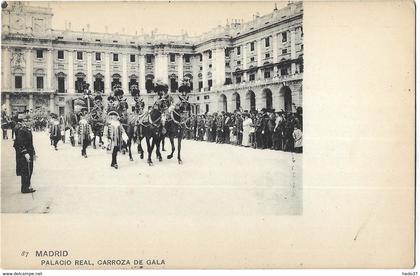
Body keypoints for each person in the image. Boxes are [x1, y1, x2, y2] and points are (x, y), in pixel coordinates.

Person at [13, 115, 36, 193]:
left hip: (29, 152)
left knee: (30, 169)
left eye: (29, 121)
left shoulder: (28, 129)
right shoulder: (22, 130)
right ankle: (25, 188)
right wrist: (25, 153)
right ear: (23, 122)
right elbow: (20, 143)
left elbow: (30, 143)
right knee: (25, 170)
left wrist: (33, 152)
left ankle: (27, 186)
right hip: (24, 154)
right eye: (27, 121)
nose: (29, 122)